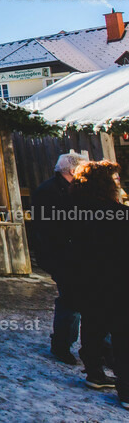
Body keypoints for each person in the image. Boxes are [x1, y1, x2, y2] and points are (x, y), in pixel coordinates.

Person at [68, 160, 129, 401]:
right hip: (117, 283)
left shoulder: (73, 212)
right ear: (104, 184)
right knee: (123, 336)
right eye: (114, 180)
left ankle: (94, 373)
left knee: (93, 326)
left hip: (87, 282)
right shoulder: (118, 215)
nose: (118, 184)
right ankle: (126, 392)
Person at [31, 152, 87, 364]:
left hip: (72, 255)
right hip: (62, 256)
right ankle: (62, 344)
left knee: (77, 300)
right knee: (70, 301)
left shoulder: (67, 189)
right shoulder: (49, 192)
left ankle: (92, 347)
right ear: (73, 170)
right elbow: (49, 230)